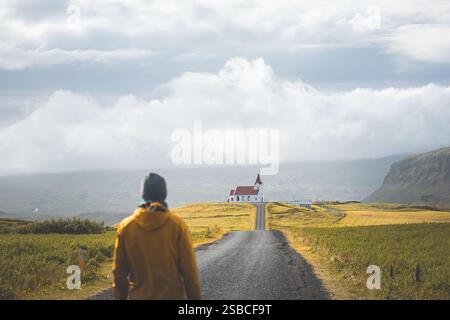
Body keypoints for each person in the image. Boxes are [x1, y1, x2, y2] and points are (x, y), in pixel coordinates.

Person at [112, 172, 202, 300]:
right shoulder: (177, 226)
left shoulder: (126, 227)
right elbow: (189, 272)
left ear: (143, 194)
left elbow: (119, 272)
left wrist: (120, 297)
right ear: (164, 194)